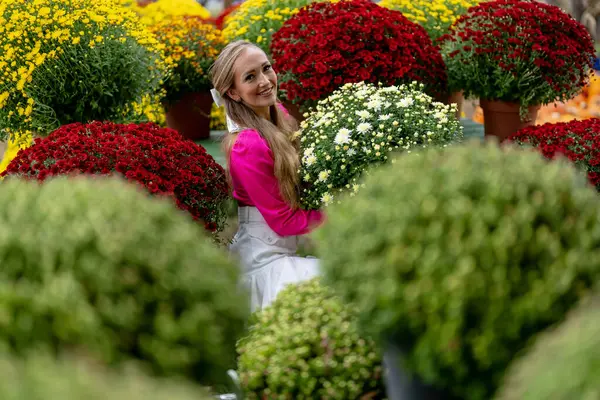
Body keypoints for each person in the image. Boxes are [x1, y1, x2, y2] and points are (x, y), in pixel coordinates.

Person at [209, 40, 324, 311]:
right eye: (250, 77)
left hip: (284, 250)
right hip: (265, 261)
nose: (264, 81)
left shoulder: (278, 116)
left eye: (266, 68)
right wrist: (340, 213)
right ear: (234, 93)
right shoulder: (247, 145)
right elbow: (284, 221)